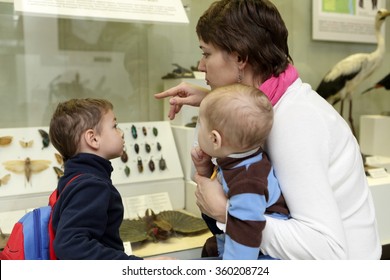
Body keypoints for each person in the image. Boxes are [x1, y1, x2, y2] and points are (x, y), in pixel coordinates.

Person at [155, 0, 382, 259]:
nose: (200, 65)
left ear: (240, 57)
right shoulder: (273, 105)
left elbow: (328, 252)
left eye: (206, 53)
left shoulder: (295, 121)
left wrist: (227, 213)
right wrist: (213, 101)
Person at [49, 98, 173, 260]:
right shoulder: (90, 185)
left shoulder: (76, 178)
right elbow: (71, 246)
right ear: (93, 139)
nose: (121, 132)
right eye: (115, 126)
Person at [193, 83, 289, 260]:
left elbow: (245, 234)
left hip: (263, 256)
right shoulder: (243, 160)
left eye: (200, 125)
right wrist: (206, 170)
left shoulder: (247, 183)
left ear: (215, 139)